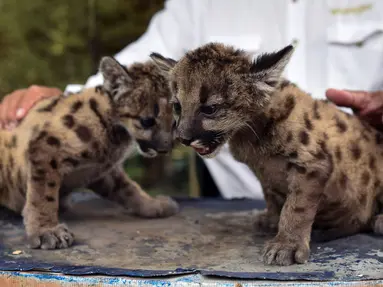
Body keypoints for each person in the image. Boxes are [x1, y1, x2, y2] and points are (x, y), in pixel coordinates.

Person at [1, 0, 383, 200]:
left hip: (366, 199)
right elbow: (137, 80)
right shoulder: (199, 4)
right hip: (244, 217)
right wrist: (61, 106)